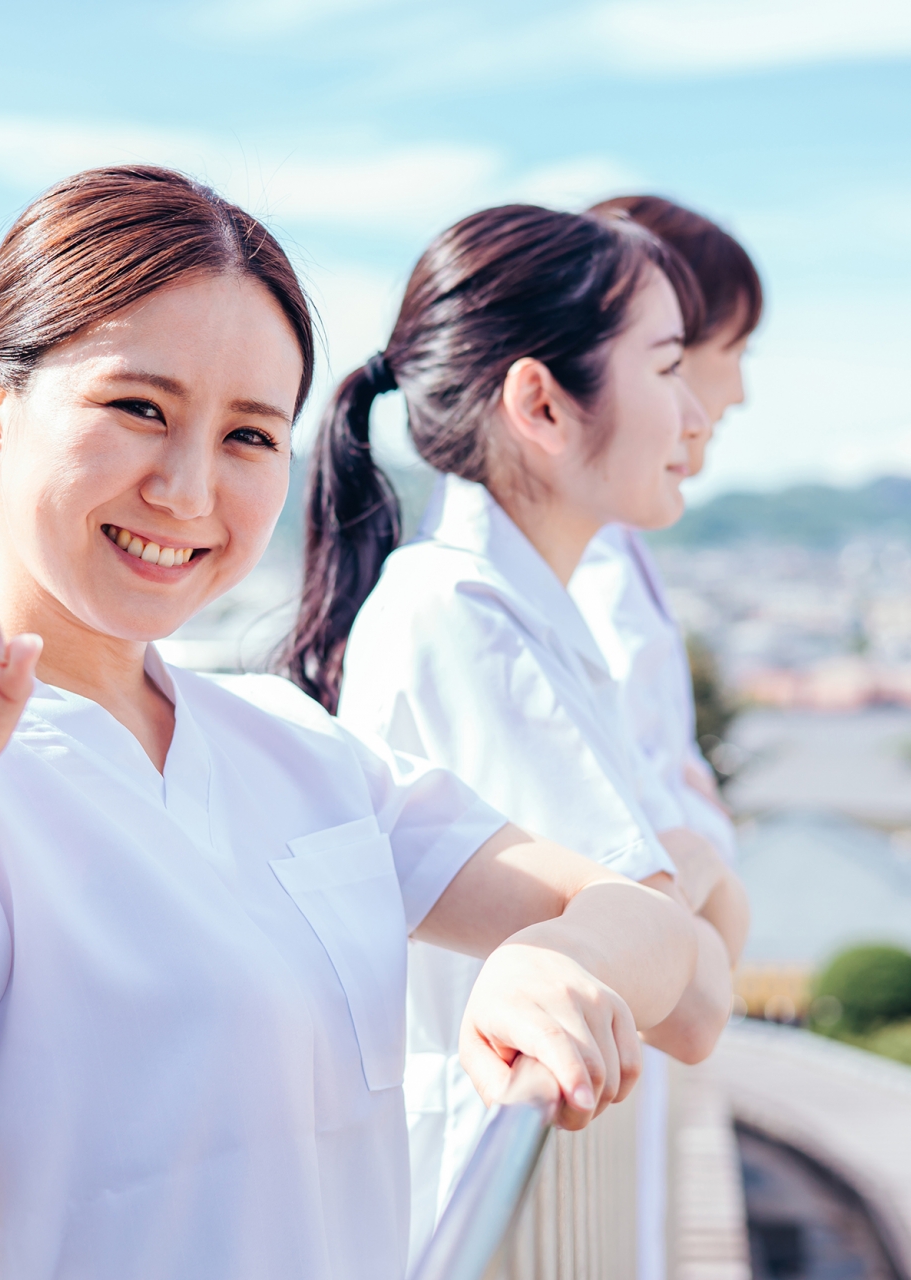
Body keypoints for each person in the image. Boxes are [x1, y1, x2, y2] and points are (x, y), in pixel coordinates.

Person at [0, 166, 709, 1280]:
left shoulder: (291, 742)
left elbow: (675, 949)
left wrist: (555, 960)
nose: (188, 490)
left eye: (248, 436)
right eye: (139, 408)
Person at [284, 204, 750, 1262]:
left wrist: (681, 880)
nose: (699, 413)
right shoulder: (466, 617)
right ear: (540, 401)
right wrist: (698, 847)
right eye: (668, 364)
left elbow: (691, 953)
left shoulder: (501, 606)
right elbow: (698, 997)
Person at [568, 195, 764, 1277]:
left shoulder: (604, 565)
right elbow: (659, 870)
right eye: (717, 348)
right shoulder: (566, 585)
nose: (731, 389)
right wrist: (695, 847)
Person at [571, 196, 763, 868]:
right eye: (733, 348)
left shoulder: (602, 547)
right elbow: (636, 847)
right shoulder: (581, 567)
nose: (738, 391)